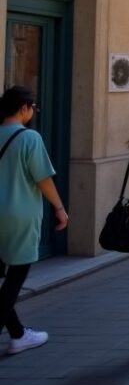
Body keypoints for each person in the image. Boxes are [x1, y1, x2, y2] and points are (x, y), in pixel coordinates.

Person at [0, 86, 68, 355]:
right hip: (20, 215)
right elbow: (43, 179)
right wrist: (60, 208)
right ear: (25, 108)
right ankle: (18, 335)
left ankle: (18, 334)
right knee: (15, 279)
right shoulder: (30, 138)